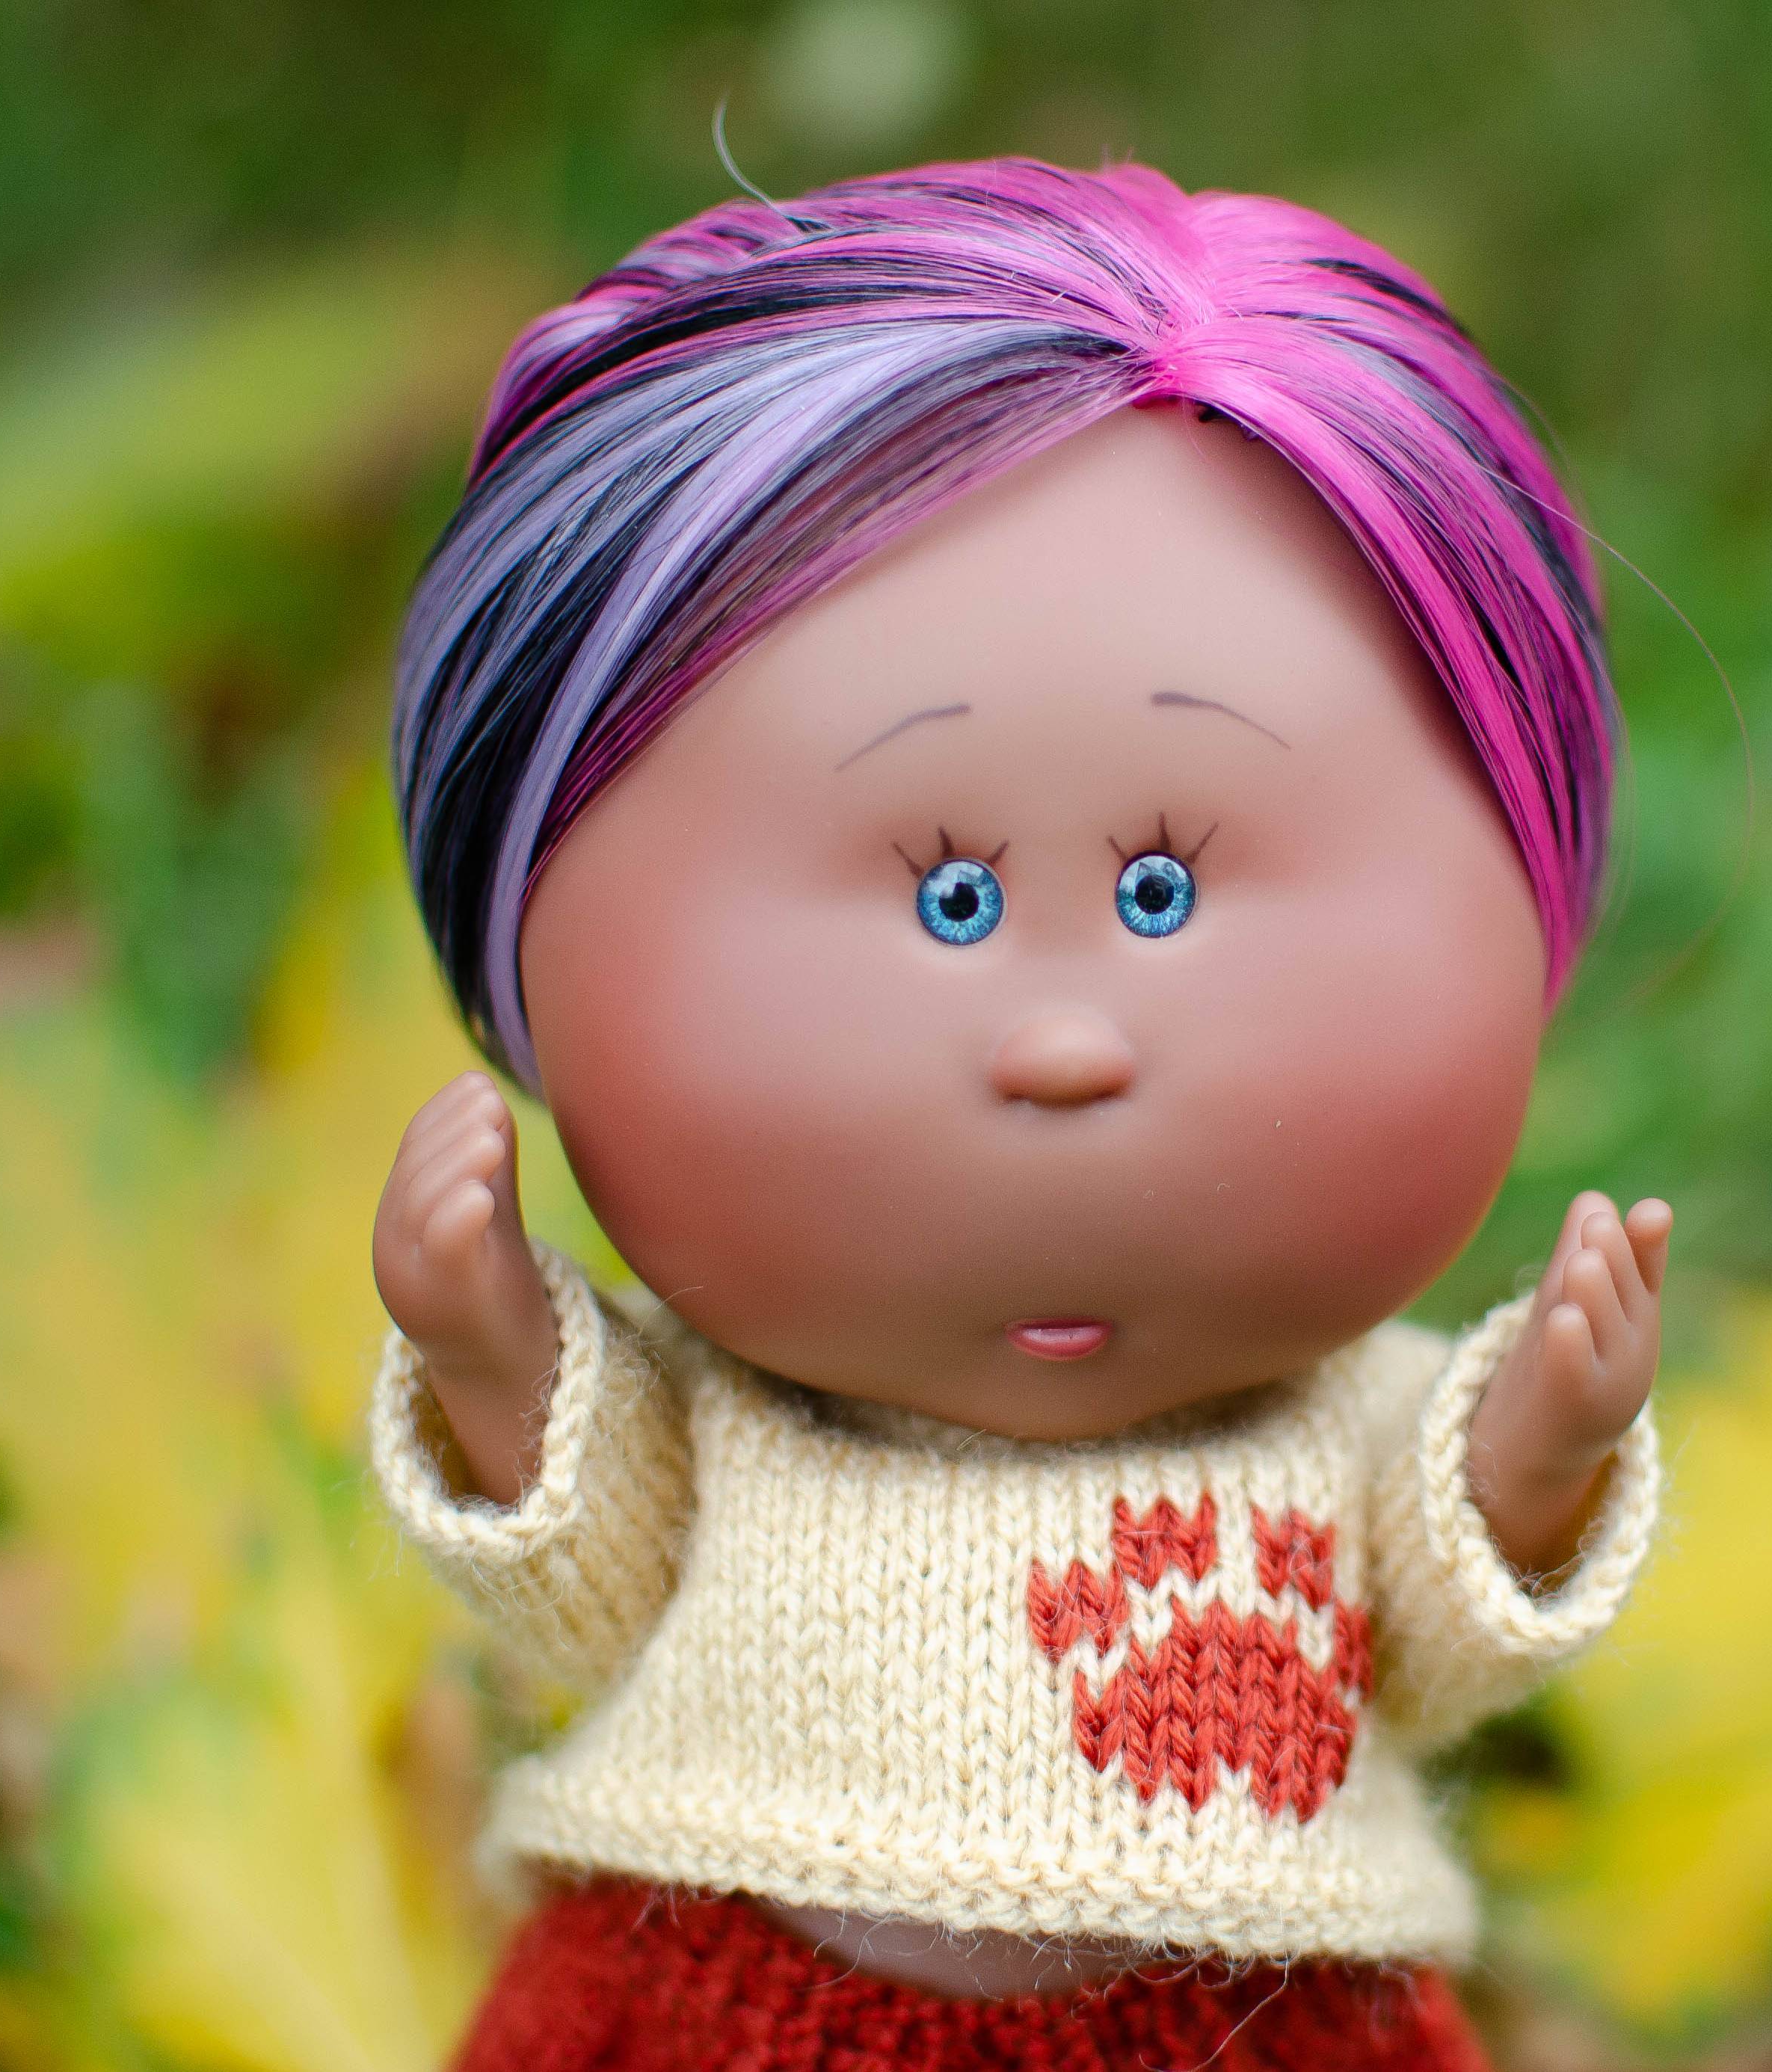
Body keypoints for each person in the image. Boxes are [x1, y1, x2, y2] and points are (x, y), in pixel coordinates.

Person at [369, 156, 1670, 2070]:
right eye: (951, 899)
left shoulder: (1339, 1429)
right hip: (734, 2009)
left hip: (1248, 2023)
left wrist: (1541, 1445)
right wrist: (489, 1346)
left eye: (1161, 891)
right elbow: (588, 1565)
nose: (1063, 1046)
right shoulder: (734, 1425)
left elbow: (1435, 1613)